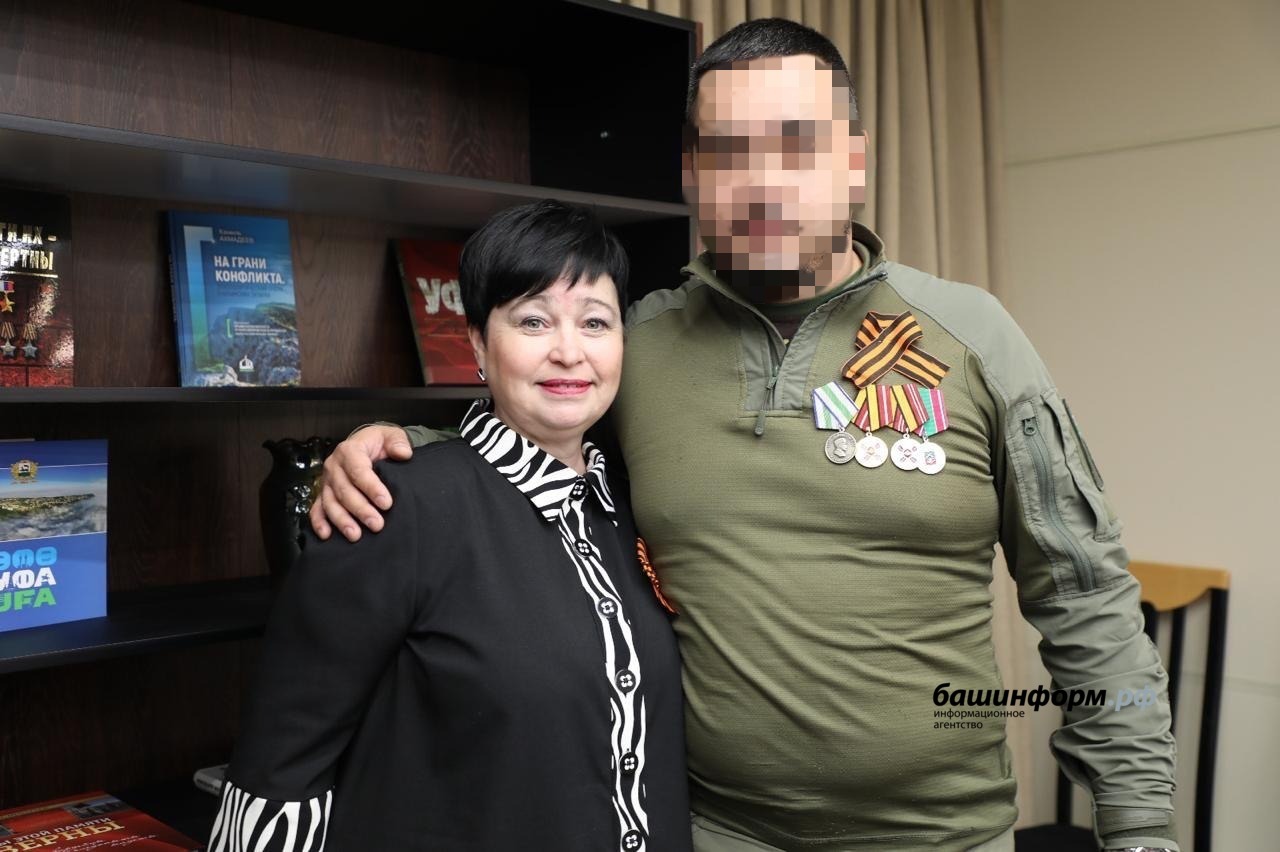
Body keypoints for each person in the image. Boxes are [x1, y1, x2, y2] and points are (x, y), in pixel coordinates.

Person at [309, 20, 1179, 852]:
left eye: (797, 144)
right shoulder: (639, 344)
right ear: (692, 174)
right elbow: (534, 431)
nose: (763, 182)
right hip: (709, 832)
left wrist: (1139, 825)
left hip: (947, 835)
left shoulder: (972, 336)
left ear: (854, 160)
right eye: (728, 152)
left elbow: (1085, 594)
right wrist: (397, 446)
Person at [210, 199, 692, 852]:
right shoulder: (392, 503)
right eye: (533, 320)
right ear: (478, 345)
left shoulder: (634, 502)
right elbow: (282, 758)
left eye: (595, 322)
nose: (569, 351)